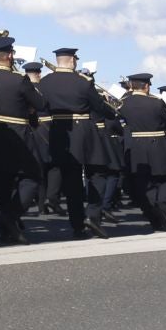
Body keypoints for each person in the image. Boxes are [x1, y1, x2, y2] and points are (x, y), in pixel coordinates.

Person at [0, 31, 47, 244]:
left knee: (1, 180)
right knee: (33, 177)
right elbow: (41, 104)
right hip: (17, 134)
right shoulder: (19, 79)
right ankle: (10, 216)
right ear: (9, 56)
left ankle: (5, 227)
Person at [37, 47, 115, 239]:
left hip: (59, 132)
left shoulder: (45, 82)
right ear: (72, 60)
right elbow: (97, 106)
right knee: (98, 173)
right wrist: (111, 112)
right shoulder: (83, 81)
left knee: (71, 181)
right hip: (84, 131)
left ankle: (77, 225)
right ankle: (93, 215)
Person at [116, 72, 166, 231]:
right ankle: (162, 207)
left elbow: (119, 125)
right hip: (158, 144)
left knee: (144, 182)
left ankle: (153, 212)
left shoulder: (123, 103)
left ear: (132, 86)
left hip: (136, 145)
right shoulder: (156, 102)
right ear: (147, 86)